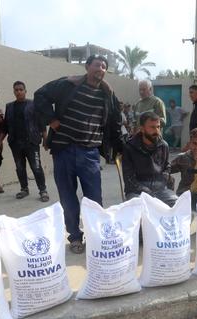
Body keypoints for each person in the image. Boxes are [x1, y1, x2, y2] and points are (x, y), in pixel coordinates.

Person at [34, 54, 123, 254]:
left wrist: (119, 147)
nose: (100, 68)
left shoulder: (107, 94)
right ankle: (75, 236)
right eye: (97, 65)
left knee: (94, 198)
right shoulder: (68, 84)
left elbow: (115, 122)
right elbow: (40, 95)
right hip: (63, 150)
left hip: (89, 152)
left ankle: (96, 236)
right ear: (87, 66)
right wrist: (51, 119)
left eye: (104, 66)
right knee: (68, 197)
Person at [0, 81, 49, 202]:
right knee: (20, 167)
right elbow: (6, 125)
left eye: (21, 89)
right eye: (16, 90)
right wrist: (0, 140)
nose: (18, 92)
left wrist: (45, 138)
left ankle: (43, 190)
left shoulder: (33, 104)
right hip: (15, 143)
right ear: (14, 91)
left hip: (31, 142)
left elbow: (41, 122)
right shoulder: (9, 106)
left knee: (36, 167)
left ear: (25, 91)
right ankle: (24, 189)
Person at [122, 112, 177, 207]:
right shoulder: (130, 147)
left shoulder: (164, 145)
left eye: (158, 127)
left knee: (178, 206)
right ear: (142, 129)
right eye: (152, 127)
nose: (157, 131)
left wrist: (164, 177)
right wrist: (146, 191)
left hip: (160, 190)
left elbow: (167, 167)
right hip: (137, 191)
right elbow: (129, 178)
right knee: (137, 209)